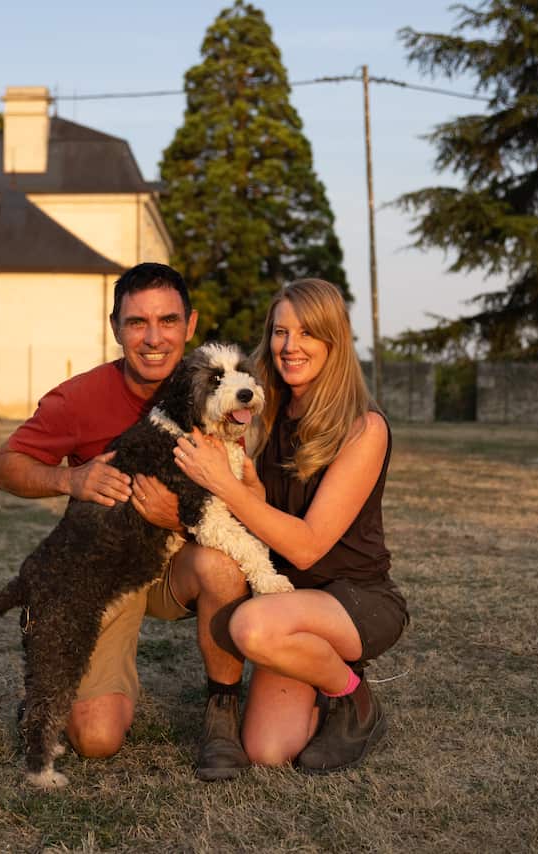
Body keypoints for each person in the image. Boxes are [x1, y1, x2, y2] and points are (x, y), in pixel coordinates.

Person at [0, 262, 253, 781]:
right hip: (111, 564)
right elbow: (5, 465)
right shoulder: (80, 397)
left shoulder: (217, 389)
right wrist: (71, 480)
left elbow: (245, 492)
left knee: (222, 564)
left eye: (168, 321)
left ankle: (223, 711)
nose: (154, 339)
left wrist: (176, 513)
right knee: (96, 738)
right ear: (115, 328)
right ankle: (45, 665)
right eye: (137, 323)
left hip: (183, 555)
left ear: (190, 324)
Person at [171, 278, 408, 773]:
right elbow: (263, 510)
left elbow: (306, 547)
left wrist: (227, 485)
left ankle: (355, 698)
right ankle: (320, 672)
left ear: (334, 341)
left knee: (250, 627)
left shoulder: (365, 427)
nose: (290, 346)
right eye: (281, 332)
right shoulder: (263, 409)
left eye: (306, 333)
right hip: (289, 602)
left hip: (354, 598)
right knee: (266, 750)